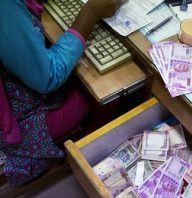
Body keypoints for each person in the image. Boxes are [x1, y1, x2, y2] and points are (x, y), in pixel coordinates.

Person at [0, 0, 121, 186]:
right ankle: (87, 162)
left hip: (19, 88)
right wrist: (90, 13)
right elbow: (48, 76)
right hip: (22, 120)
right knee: (112, 84)